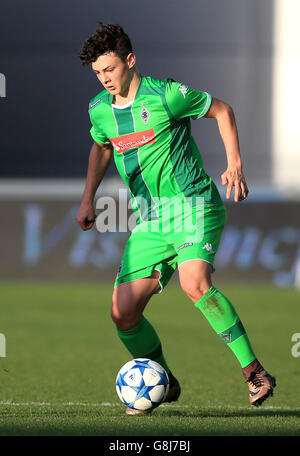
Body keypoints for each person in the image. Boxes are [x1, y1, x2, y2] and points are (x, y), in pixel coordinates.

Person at [76, 22, 276, 415]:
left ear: (130, 61)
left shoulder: (166, 94)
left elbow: (222, 110)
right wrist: (88, 198)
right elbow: (100, 148)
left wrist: (235, 164)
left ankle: (255, 372)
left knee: (194, 282)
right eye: (98, 73)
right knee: (122, 313)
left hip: (193, 205)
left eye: (111, 69)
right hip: (150, 220)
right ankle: (164, 380)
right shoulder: (100, 111)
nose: (105, 79)